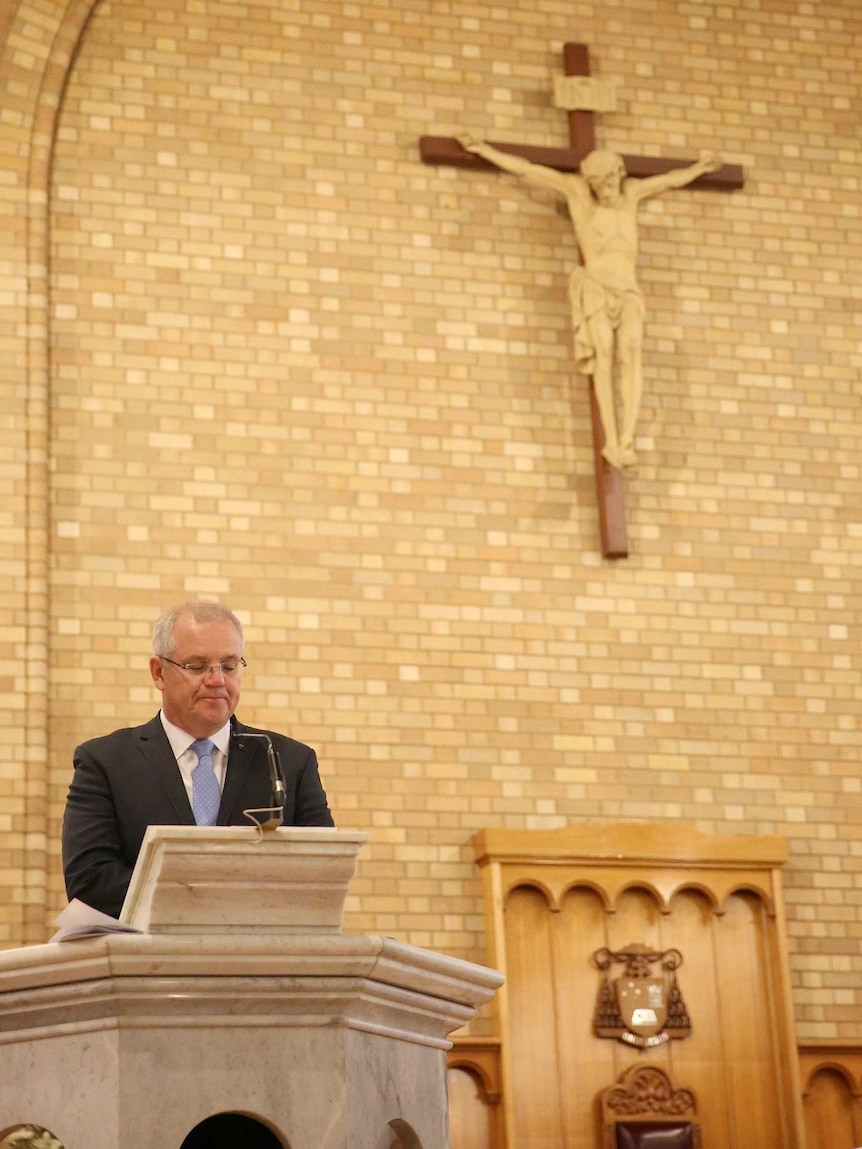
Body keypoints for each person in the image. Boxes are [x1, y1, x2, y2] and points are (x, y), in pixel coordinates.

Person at [457, 134, 722, 469]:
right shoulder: (578, 196)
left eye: (610, 180)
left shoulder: (631, 196)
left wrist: (699, 168)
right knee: (604, 357)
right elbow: (527, 170)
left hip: (627, 291)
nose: (605, 188)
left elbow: (669, 181)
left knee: (631, 353)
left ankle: (627, 438)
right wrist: (484, 151)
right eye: (598, 183)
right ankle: (611, 440)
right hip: (596, 287)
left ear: (620, 175)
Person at [62, 601, 334, 918]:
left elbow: (324, 875)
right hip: (148, 960)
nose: (217, 680)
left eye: (229, 666)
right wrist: (211, 901)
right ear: (159, 672)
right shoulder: (106, 762)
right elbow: (90, 882)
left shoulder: (287, 762)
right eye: (197, 666)